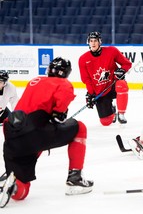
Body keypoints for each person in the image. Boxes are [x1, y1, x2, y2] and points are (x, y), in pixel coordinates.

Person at [0, 57, 93, 208]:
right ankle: (75, 179)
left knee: (22, 187)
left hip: (11, 134)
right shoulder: (64, 84)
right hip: (34, 131)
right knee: (80, 128)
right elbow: (58, 116)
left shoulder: (34, 80)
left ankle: (12, 186)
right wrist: (60, 114)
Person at [78, 31, 132, 125]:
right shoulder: (83, 59)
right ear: (88, 42)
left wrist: (122, 70)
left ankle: (121, 114)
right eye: (91, 41)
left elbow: (127, 64)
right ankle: (112, 112)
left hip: (113, 85)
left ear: (100, 42)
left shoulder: (111, 51)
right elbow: (86, 79)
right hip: (100, 91)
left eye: (95, 40)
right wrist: (91, 94)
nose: (93, 43)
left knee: (121, 84)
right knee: (106, 122)